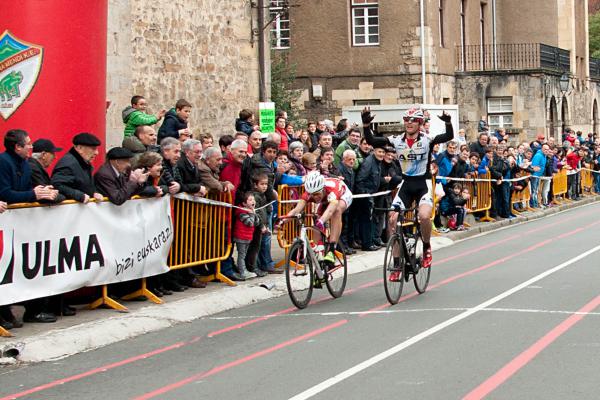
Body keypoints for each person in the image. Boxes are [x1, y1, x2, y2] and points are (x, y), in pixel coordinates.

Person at [361, 106, 454, 270]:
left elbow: (448, 136)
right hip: (406, 184)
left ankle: (426, 246)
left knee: (424, 216)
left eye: (413, 120)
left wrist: (448, 122)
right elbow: (372, 141)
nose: (409, 123)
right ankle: (397, 262)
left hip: (422, 184)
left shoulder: (427, 139)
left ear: (420, 123)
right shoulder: (396, 139)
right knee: (392, 219)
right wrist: (366, 125)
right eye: (406, 120)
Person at [285, 171, 352, 266]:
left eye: (317, 194)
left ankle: (332, 249)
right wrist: (283, 221)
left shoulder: (331, 189)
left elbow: (330, 211)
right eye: (312, 194)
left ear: (322, 189)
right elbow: (296, 210)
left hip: (343, 195)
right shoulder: (309, 193)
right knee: (317, 217)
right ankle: (318, 252)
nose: (314, 197)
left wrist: (322, 221)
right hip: (326, 199)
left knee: (336, 211)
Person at [52, 133, 104, 203]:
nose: (97, 153)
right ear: (79, 148)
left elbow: (83, 184)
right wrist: (79, 196)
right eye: (93, 149)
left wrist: (93, 193)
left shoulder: (83, 162)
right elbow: (57, 185)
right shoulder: (68, 163)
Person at [232, 192, 261, 281]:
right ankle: (242, 272)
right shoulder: (241, 212)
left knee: (243, 255)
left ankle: (244, 270)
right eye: (250, 200)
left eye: (253, 199)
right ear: (244, 203)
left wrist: (254, 214)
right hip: (241, 237)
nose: (253, 201)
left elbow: (256, 223)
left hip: (247, 237)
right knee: (241, 255)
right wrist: (252, 214)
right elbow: (250, 223)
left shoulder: (251, 211)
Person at [28, 139, 66, 203]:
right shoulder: (33, 169)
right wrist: (62, 196)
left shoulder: (34, 167)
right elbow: (46, 196)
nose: (55, 157)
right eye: (53, 153)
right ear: (43, 155)